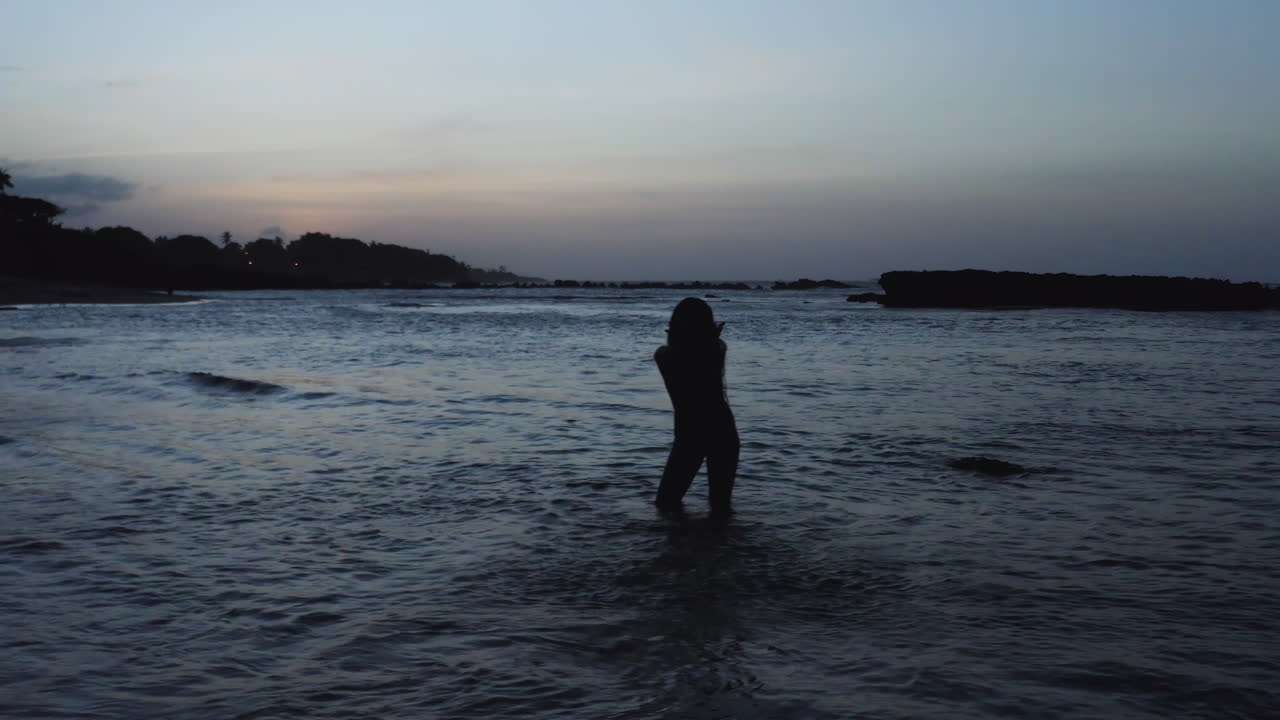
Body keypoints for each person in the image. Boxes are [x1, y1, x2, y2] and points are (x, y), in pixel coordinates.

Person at [654, 297, 740, 511]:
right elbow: (708, 351)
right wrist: (709, 338)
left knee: (666, 503)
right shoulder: (716, 350)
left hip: (690, 433)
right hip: (723, 430)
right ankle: (722, 543)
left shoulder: (665, 357)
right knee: (721, 505)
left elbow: (677, 354)